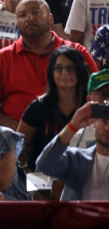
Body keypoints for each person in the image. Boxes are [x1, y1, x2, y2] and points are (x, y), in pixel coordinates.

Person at [0, 0, 97, 130]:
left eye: (36, 13)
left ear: (51, 19)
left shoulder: (77, 52)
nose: (29, 18)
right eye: (22, 15)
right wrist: (21, 131)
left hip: (74, 138)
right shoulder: (2, 59)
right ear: (17, 22)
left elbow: (98, 98)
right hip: (18, 141)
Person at [36, 70, 109, 200]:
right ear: (95, 122)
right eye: (104, 120)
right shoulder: (76, 158)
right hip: (80, 219)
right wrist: (73, 125)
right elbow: (44, 165)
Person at [17, 46, 90, 172]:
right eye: (58, 68)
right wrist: (27, 175)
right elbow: (17, 147)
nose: (64, 73)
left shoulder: (90, 106)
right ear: (52, 72)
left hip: (82, 179)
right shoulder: (37, 108)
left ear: (80, 71)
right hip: (41, 180)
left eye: (71, 68)